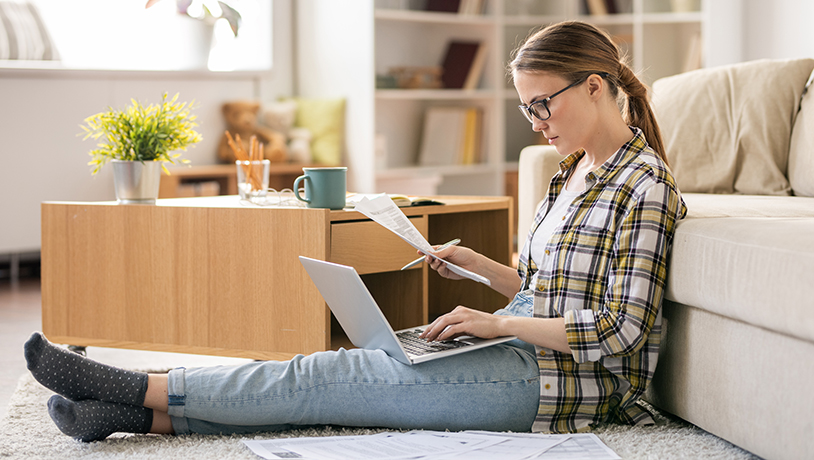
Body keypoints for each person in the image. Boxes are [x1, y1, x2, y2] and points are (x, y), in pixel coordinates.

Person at [24, 21, 686, 442]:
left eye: (544, 104)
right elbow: (544, 289)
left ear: (597, 87)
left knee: (329, 378)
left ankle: (137, 388)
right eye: (525, 107)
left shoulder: (644, 187)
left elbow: (618, 330)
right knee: (345, 377)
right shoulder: (565, 173)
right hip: (523, 351)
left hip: (563, 384)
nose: (535, 121)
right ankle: (144, 418)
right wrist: (480, 268)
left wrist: (495, 324)